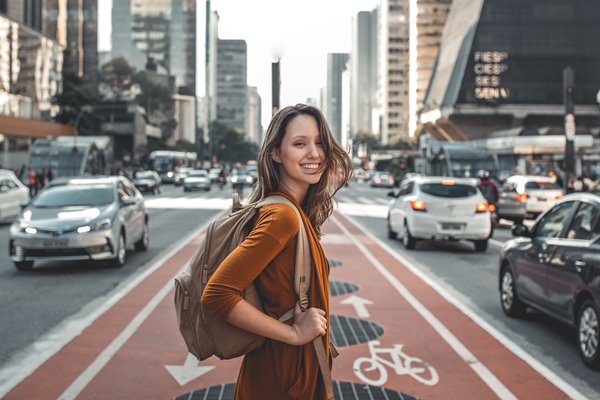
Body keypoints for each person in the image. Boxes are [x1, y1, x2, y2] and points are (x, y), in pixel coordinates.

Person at [201, 104, 352, 399]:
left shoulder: (291, 211)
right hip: (281, 377)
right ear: (275, 153)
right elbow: (217, 294)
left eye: (319, 142)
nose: (314, 153)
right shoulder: (281, 216)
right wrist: (294, 334)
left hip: (289, 371)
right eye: (300, 143)